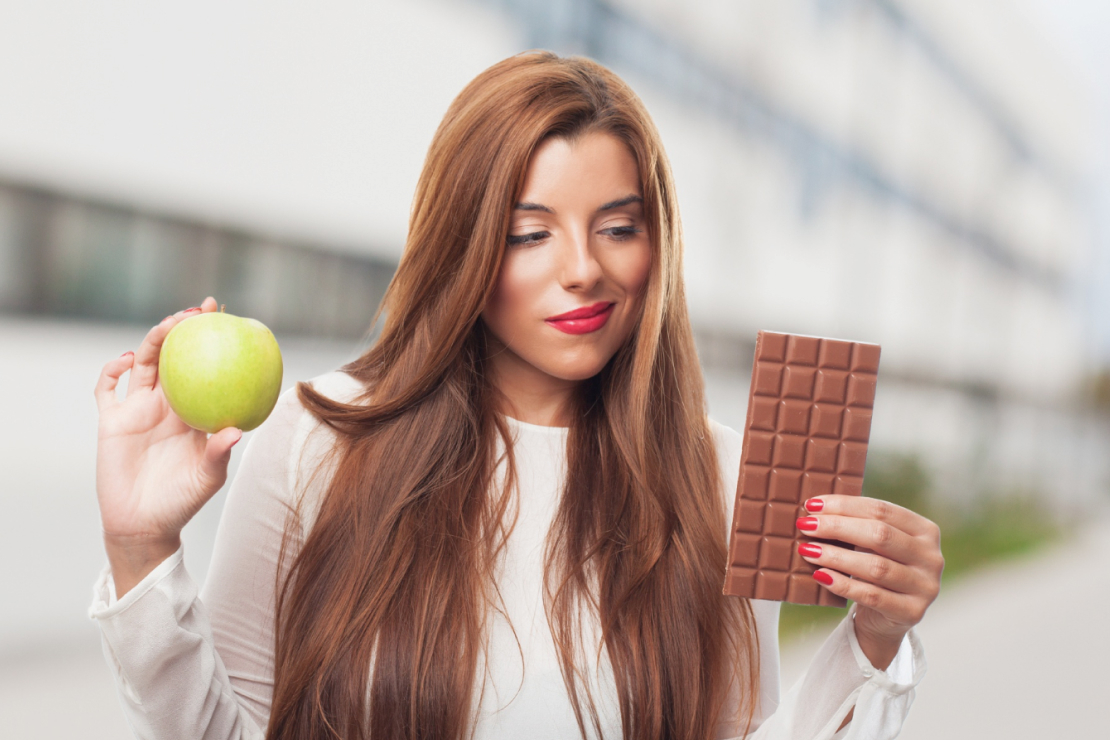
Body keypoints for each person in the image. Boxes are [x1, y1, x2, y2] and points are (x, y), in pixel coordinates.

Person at [90, 52, 942, 740]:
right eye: (530, 234)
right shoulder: (316, 441)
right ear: (462, 249)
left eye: (619, 227)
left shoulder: (717, 472)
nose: (584, 267)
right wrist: (141, 547)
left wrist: (874, 641)